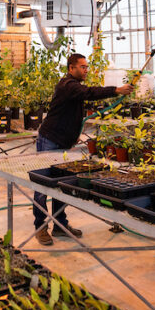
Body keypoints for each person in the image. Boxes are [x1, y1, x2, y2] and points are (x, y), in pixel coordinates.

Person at [33, 53, 134, 245]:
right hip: (49, 140)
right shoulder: (68, 85)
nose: (86, 70)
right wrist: (117, 90)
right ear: (71, 68)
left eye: (87, 67)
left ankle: (60, 226)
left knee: (62, 186)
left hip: (62, 142)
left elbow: (79, 104)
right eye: (82, 67)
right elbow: (89, 93)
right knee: (42, 186)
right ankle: (40, 227)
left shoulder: (73, 87)